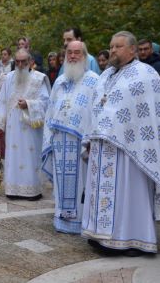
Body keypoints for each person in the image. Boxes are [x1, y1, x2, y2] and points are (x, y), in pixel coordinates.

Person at [82, 31, 160, 256]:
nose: (113, 50)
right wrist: (89, 137)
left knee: (128, 196)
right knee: (102, 194)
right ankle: (101, 235)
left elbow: (149, 115)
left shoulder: (145, 74)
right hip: (101, 148)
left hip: (131, 151)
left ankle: (133, 239)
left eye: (118, 46)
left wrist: (117, 130)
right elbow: (95, 107)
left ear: (132, 50)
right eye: (111, 46)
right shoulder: (106, 74)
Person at [42, 41, 99, 234]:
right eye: (69, 53)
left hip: (80, 143)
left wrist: (90, 139)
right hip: (59, 142)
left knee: (82, 182)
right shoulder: (60, 81)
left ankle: (82, 221)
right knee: (61, 183)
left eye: (77, 53)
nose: (73, 56)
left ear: (84, 56)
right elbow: (50, 111)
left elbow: (96, 112)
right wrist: (49, 138)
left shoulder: (93, 80)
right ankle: (62, 219)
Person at [0, 49, 50, 200]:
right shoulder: (9, 78)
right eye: (18, 61)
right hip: (13, 127)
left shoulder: (39, 79)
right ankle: (13, 189)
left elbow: (46, 104)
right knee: (13, 156)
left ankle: (32, 190)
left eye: (24, 61)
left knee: (30, 157)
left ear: (30, 62)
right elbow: (2, 100)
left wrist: (29, 104)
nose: (20, 65)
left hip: (31, 129)